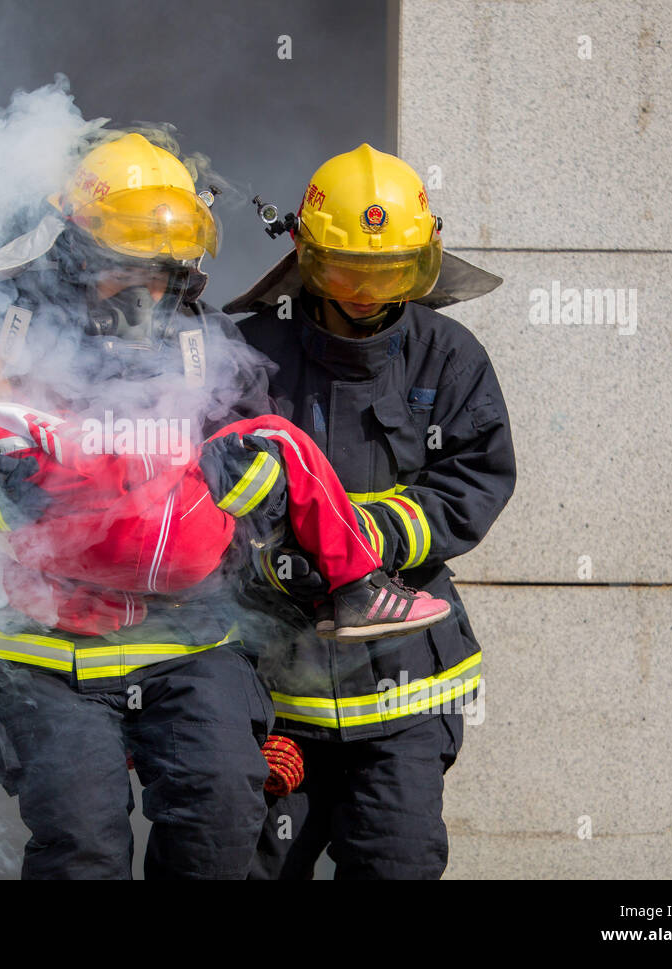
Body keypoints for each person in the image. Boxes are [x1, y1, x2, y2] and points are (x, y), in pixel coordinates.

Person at [0, 130, 275, 879]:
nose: (148, 289)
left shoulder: (208, 346)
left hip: (190, 641)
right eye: (126, 266)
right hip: (43, 648)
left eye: (163, 269)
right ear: (74, 250)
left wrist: (232, 506)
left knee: (222, 823)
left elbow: (263, 468)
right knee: (83, 847)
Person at [226, 144, 517, 879]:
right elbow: (205, 487)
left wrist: (372, 533)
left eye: (388, 273)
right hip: (275, 691)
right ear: (308, 255)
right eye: (349, 270)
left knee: (399, 862)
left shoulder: (449, 356)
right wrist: (269, 550)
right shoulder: (250, 353)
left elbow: (475, 480)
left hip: (403, 688)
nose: (365, 291)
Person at [0, 316, 451, 641]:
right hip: (177, 535)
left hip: (107, 578)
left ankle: (115, 611)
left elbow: (15, 551)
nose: (12, 387)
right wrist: (189, 463)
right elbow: (96, 462)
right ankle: (360, 588)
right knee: (280, 439)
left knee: (23, 551)